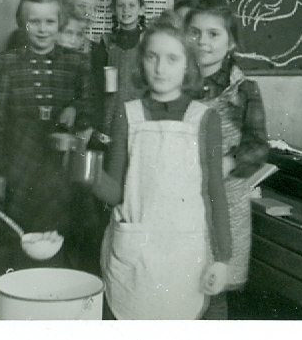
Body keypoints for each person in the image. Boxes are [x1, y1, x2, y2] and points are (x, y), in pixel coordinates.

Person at [91, 21, 231, 319]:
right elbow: (115, 191)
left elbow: (215, 192)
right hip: (135, 254)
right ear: (141, 61)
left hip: (184, 253)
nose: (160, 68)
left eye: (172, 59)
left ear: (188, 66)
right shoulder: (127, 114)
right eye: (152, 56)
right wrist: (86, 170)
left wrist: (223, 258)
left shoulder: (205, 119)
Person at [0, 0, 96, 270]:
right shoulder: (6, 64)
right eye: (34, 22)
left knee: (64, 245)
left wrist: (76, 111)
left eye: (50, 22)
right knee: (24, 244)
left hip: (64, 170)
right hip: (21, 168)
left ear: (60, 23)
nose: (43, 29)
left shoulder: (77, 63)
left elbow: (91, 110)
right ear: (23, 24)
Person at [185, 0, 268, 319]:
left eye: (213, 34)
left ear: (231, 41)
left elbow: (259, 145)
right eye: (195, 32)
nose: (203, 42)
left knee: (212, 290)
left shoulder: (244, 89)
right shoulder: (173, 80)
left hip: (225, 203)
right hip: (181, 200)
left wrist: (229, 162)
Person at [96, 0, 147, 132]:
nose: (126, 10)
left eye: (131, 5)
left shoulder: (149, 40)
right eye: (121, 5)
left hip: (141, 109)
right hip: (112, 109)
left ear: (141, 10)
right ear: (113, 10)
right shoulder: (107, 42)